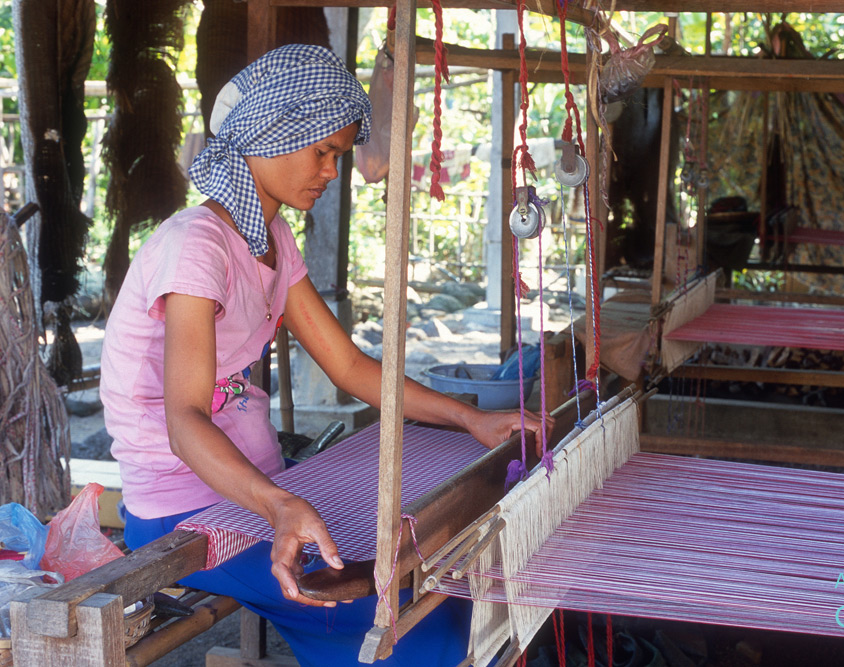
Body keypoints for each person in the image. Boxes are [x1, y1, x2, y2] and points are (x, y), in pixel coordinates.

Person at [100, 44, 548, 666]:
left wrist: (470, 419)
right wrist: (281, 505)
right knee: (392, 620)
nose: (332, 171)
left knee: (438, 589)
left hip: (263, 490)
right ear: (270, 133)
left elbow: (350, 367)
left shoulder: (272, 240)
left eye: (337, 154)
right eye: (323, 152)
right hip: (188, 513)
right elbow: (184, 421)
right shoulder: (195, 247)